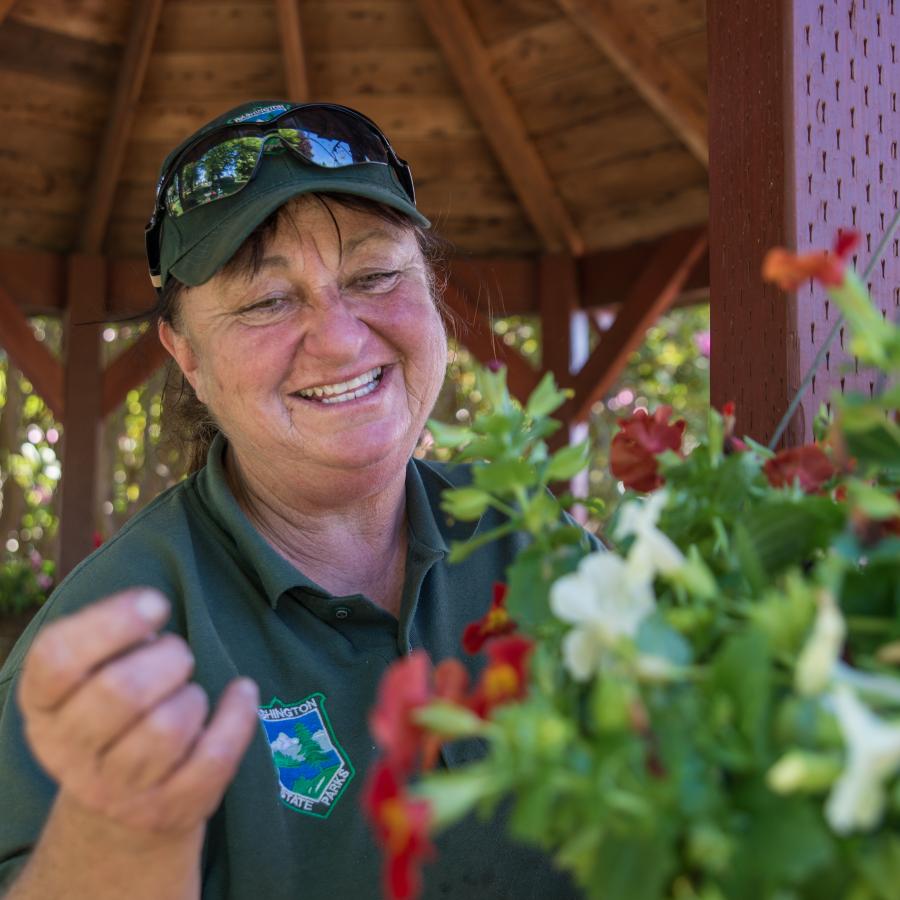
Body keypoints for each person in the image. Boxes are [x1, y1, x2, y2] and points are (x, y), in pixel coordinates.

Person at [0, 101, 587, 899]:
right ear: (188, 358)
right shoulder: (110, 648)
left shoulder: (535, 538)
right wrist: (109, 842)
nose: (341, 338)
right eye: (266, 302)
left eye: (376, 276)